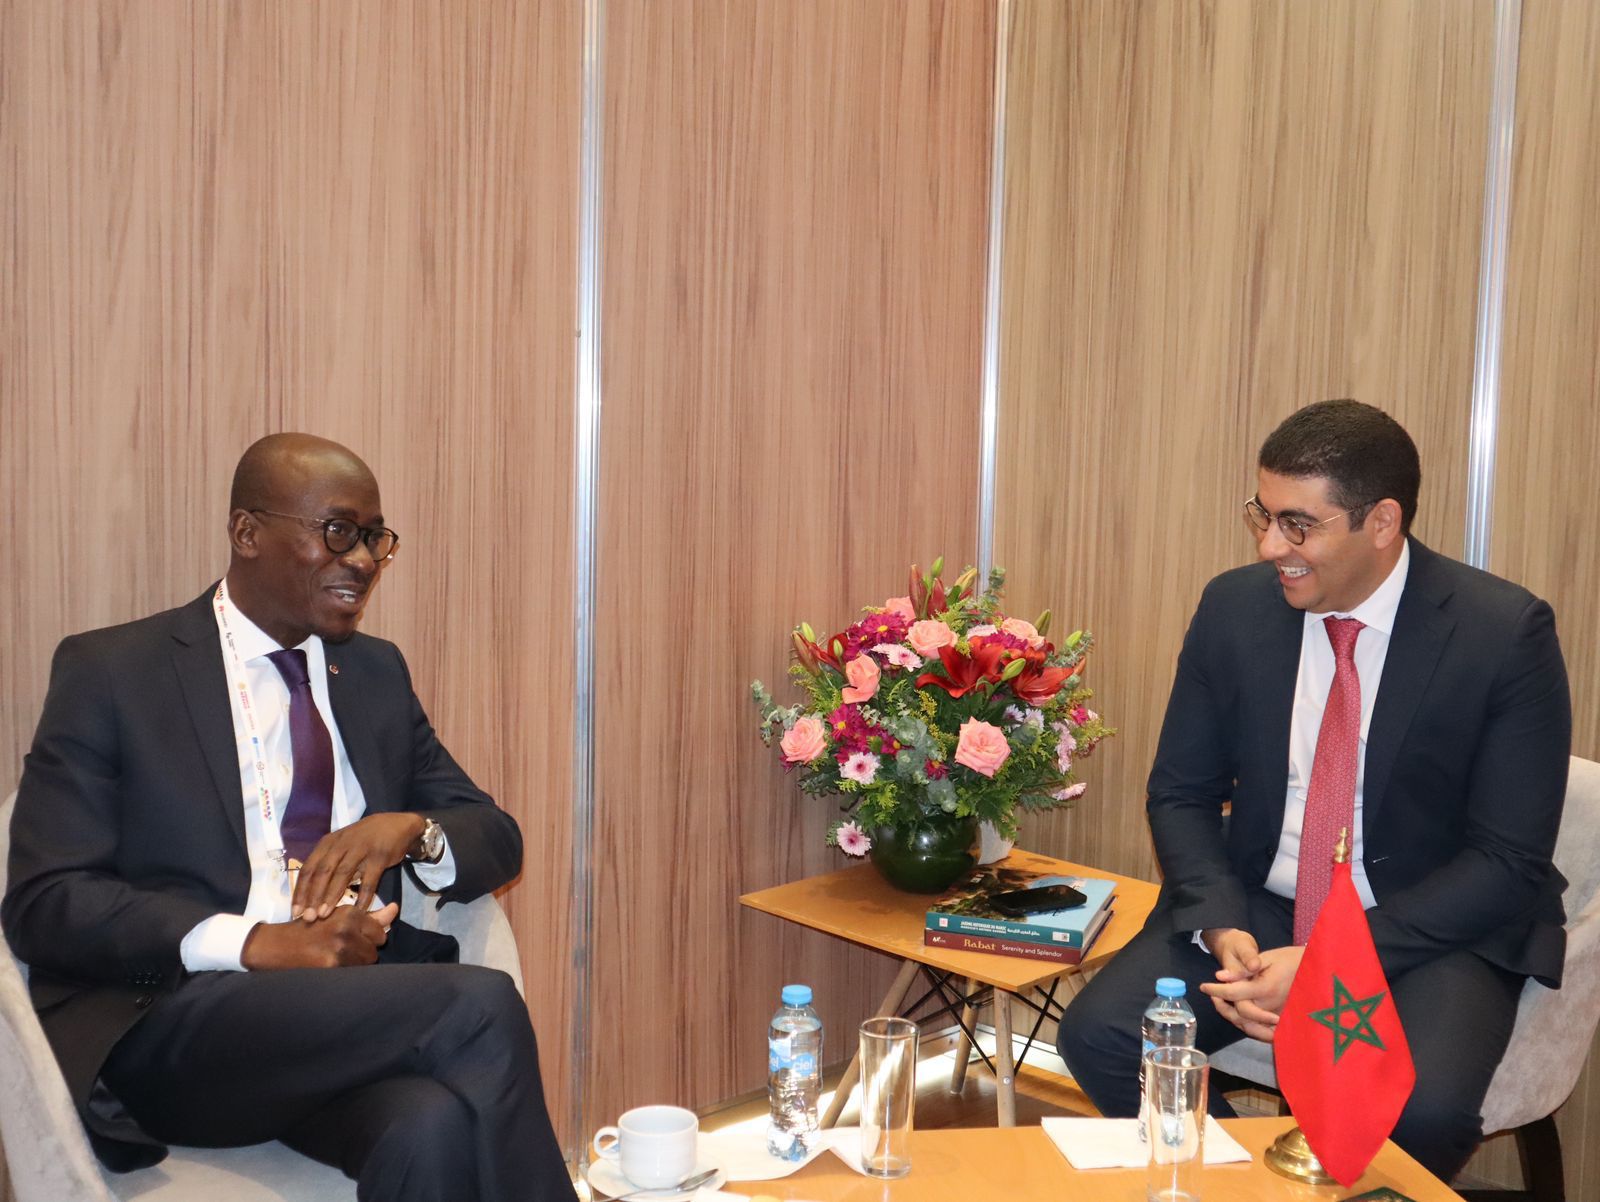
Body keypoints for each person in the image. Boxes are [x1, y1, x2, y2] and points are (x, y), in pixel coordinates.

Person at [2, 433, 576, 1202]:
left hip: (339, 1024)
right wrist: (256, 943)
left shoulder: (372, 672)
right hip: (178, 1022)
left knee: (428, 1129)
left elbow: (496, 839)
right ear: (247, 533)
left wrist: (411, 830)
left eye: (374, 537)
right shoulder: (116, 673)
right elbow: (45, 903)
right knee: (479, 1002)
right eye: (338, 532)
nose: (364, 560)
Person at [1057, 400, 1570, 1182]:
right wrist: (1220, 921)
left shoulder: (1502, 634)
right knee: (1103, 1035)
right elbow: (1182, 793)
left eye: (1298, 525)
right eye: (1263, 515)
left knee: (1422, 1111)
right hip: (1263, 903)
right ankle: (1248, 1190)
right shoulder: (1234, 609)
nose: (1270, 546)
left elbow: (1507, 860)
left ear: (1382, 522)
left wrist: (1332, 959)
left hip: (1429, 922)